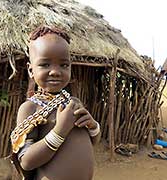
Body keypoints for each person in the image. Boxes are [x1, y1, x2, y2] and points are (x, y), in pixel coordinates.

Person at [10, 26, 101, 180]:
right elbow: (26, 161)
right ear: (31, 70)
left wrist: (93, 126)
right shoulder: (30, 108)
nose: (55, 71)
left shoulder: (73, 102)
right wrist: (60, 130)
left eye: (64, 65)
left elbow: (93, 141)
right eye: (45, 64)